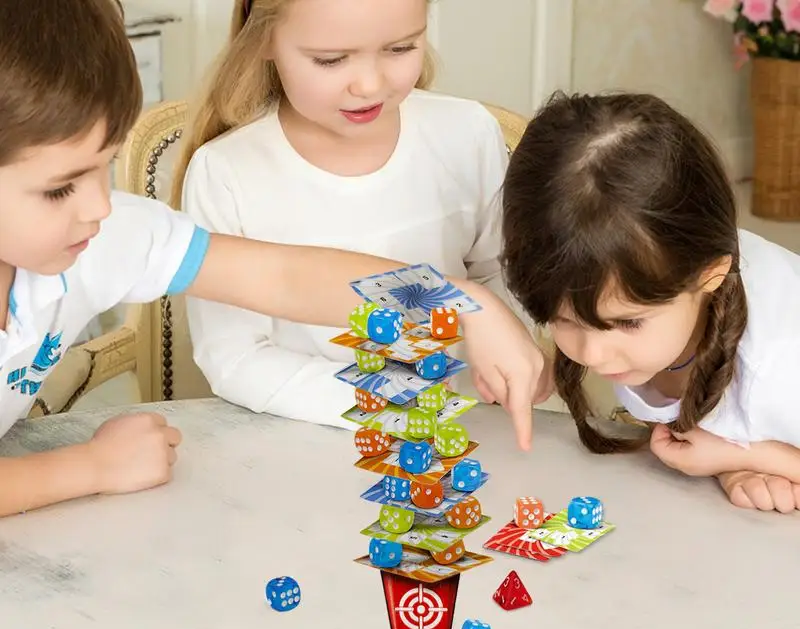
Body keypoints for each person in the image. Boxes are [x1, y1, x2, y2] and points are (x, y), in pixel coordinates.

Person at [0, 0, 546, 517]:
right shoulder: (218, 174)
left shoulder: (108, 234)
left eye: (105, 166)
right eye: (58, 189)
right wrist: (88, 467)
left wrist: (458, 300)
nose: (99, 205)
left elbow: (285, 276)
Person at [171, 0, 532, 428]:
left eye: (400, 48)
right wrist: (382, 400)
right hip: (304, 437)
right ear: (263, 38)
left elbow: (505, 276)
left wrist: (496, 356)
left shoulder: (467, 133)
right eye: (331, 60)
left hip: (469, 429)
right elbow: (234, 357)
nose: (369, 84)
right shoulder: (227, 172)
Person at [501, 90, 800, 513]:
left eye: (628, 323)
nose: (594, 355)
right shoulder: (658, 288)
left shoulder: (782, 365)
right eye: (564, 320)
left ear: (711, 273)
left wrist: (749, 457)